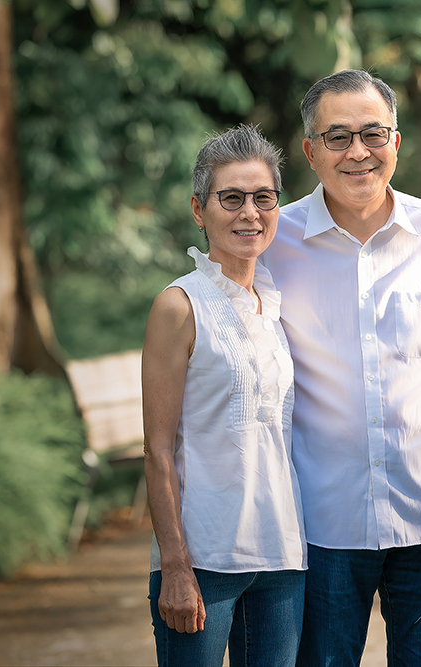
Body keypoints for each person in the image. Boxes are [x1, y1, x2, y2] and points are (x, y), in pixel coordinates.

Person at [261, 70, 421, 667]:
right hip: (322, 520)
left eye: (373, 133)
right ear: (310, 151)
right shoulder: (274, 239)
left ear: (396, 141)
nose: (358, 152)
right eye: (338, 136)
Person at [142, 124, 306, 667]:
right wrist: (175, 566)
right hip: (204, 559)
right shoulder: (179, 306)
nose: (249, 213)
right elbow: (158, 450)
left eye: (263, 198)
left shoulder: (275, 304)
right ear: (199, 209)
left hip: (281, 555)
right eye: (231, 198)